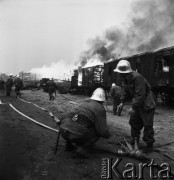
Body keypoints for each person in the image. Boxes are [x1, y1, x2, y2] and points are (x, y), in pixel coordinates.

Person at [114, 60, 156, 153]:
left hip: (146, 103)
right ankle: (135, 140)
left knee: (147, 124)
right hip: (138, 102)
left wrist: (133, 108)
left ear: (126, 72)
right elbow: (125, 91)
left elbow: (140, 95)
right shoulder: (126, 78)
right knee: (133, 121)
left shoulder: (137, 78)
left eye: (120, 73)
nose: (119, 75)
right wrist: (122, 102)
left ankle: (149, 145)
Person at [59, 87, 111, 157]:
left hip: (63, 130)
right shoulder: (100, 108)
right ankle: (82, 150)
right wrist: (108, 135)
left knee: (73, 122)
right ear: (103, 100)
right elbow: (102, 131)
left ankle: (69, 145)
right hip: (76, 134)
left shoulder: (83, 103)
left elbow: (69, 116)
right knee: (97, 131)